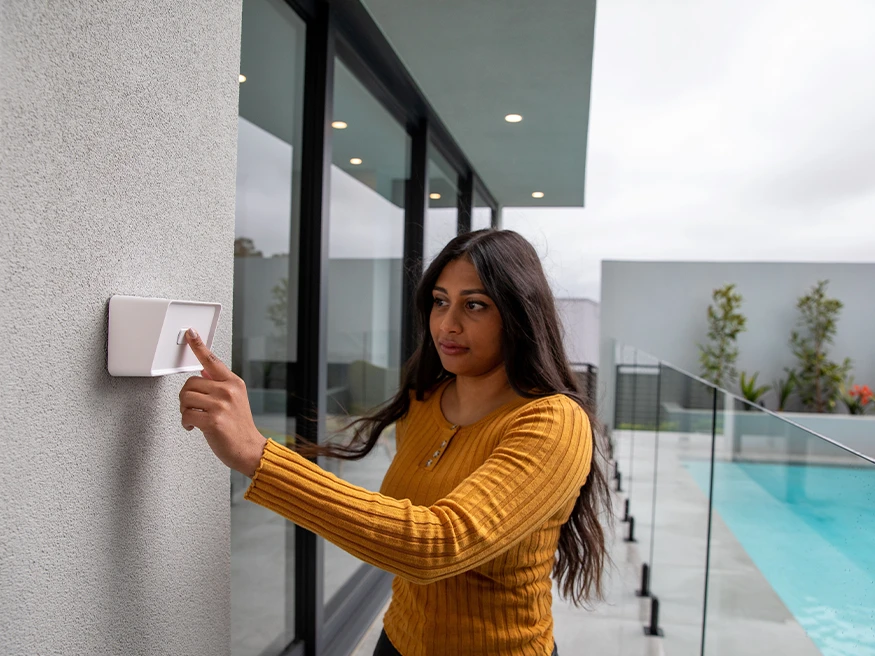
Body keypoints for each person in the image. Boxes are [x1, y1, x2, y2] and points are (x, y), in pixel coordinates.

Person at [179, 229, 611, 656]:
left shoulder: (554, 422)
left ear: (519, 314)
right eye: (440, 301)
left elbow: (436, 545)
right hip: (397, 641)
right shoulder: (425, 400)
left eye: (474, 305)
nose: (448, 323)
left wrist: (258, 457)